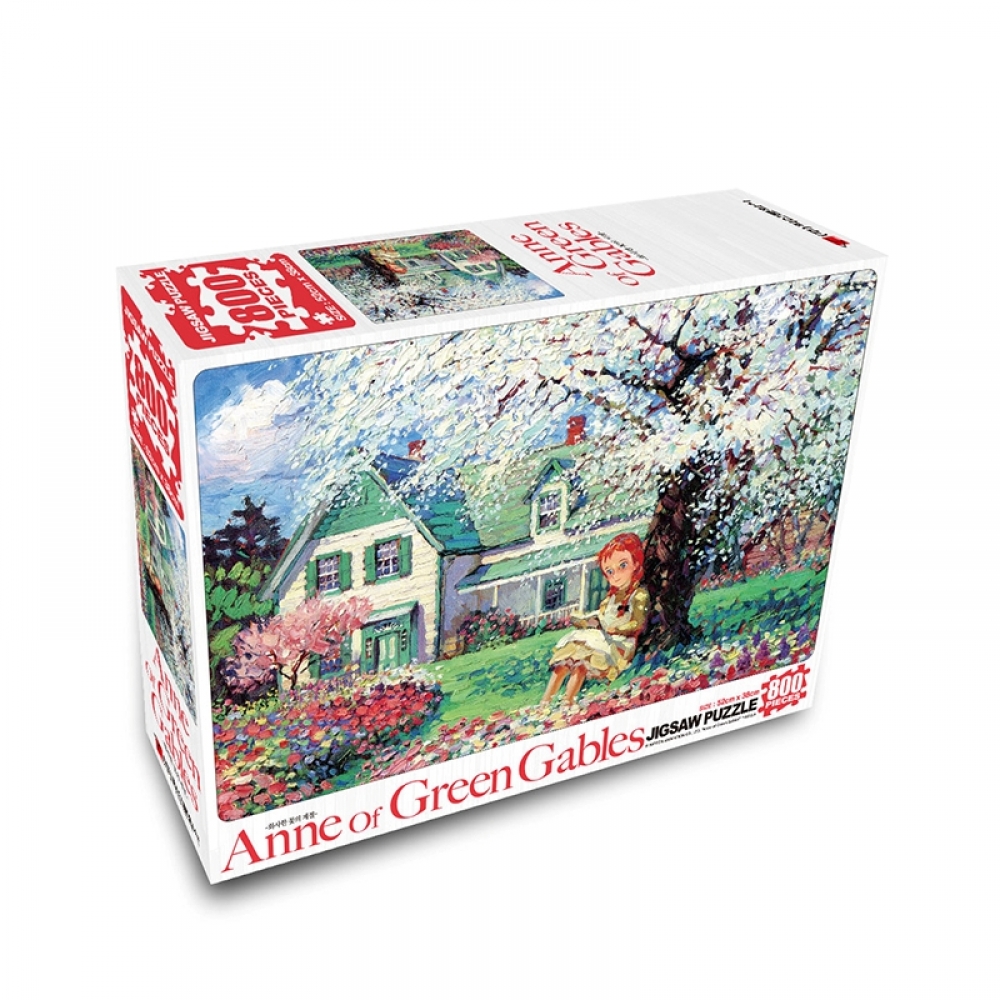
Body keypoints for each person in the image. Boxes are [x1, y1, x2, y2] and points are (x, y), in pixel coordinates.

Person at [541, 532, 650, 705]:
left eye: (623, 566)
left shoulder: (638, 595)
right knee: (569, 658)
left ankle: (567, 701)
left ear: (635, 564)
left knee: (581, 662)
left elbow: (638, 623)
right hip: (604, 638)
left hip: (620, 644)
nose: (616, 575)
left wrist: (617, 629)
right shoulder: (610, 598)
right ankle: (545, 702)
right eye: (610, 572)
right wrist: (587, 621)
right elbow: (601, 617)